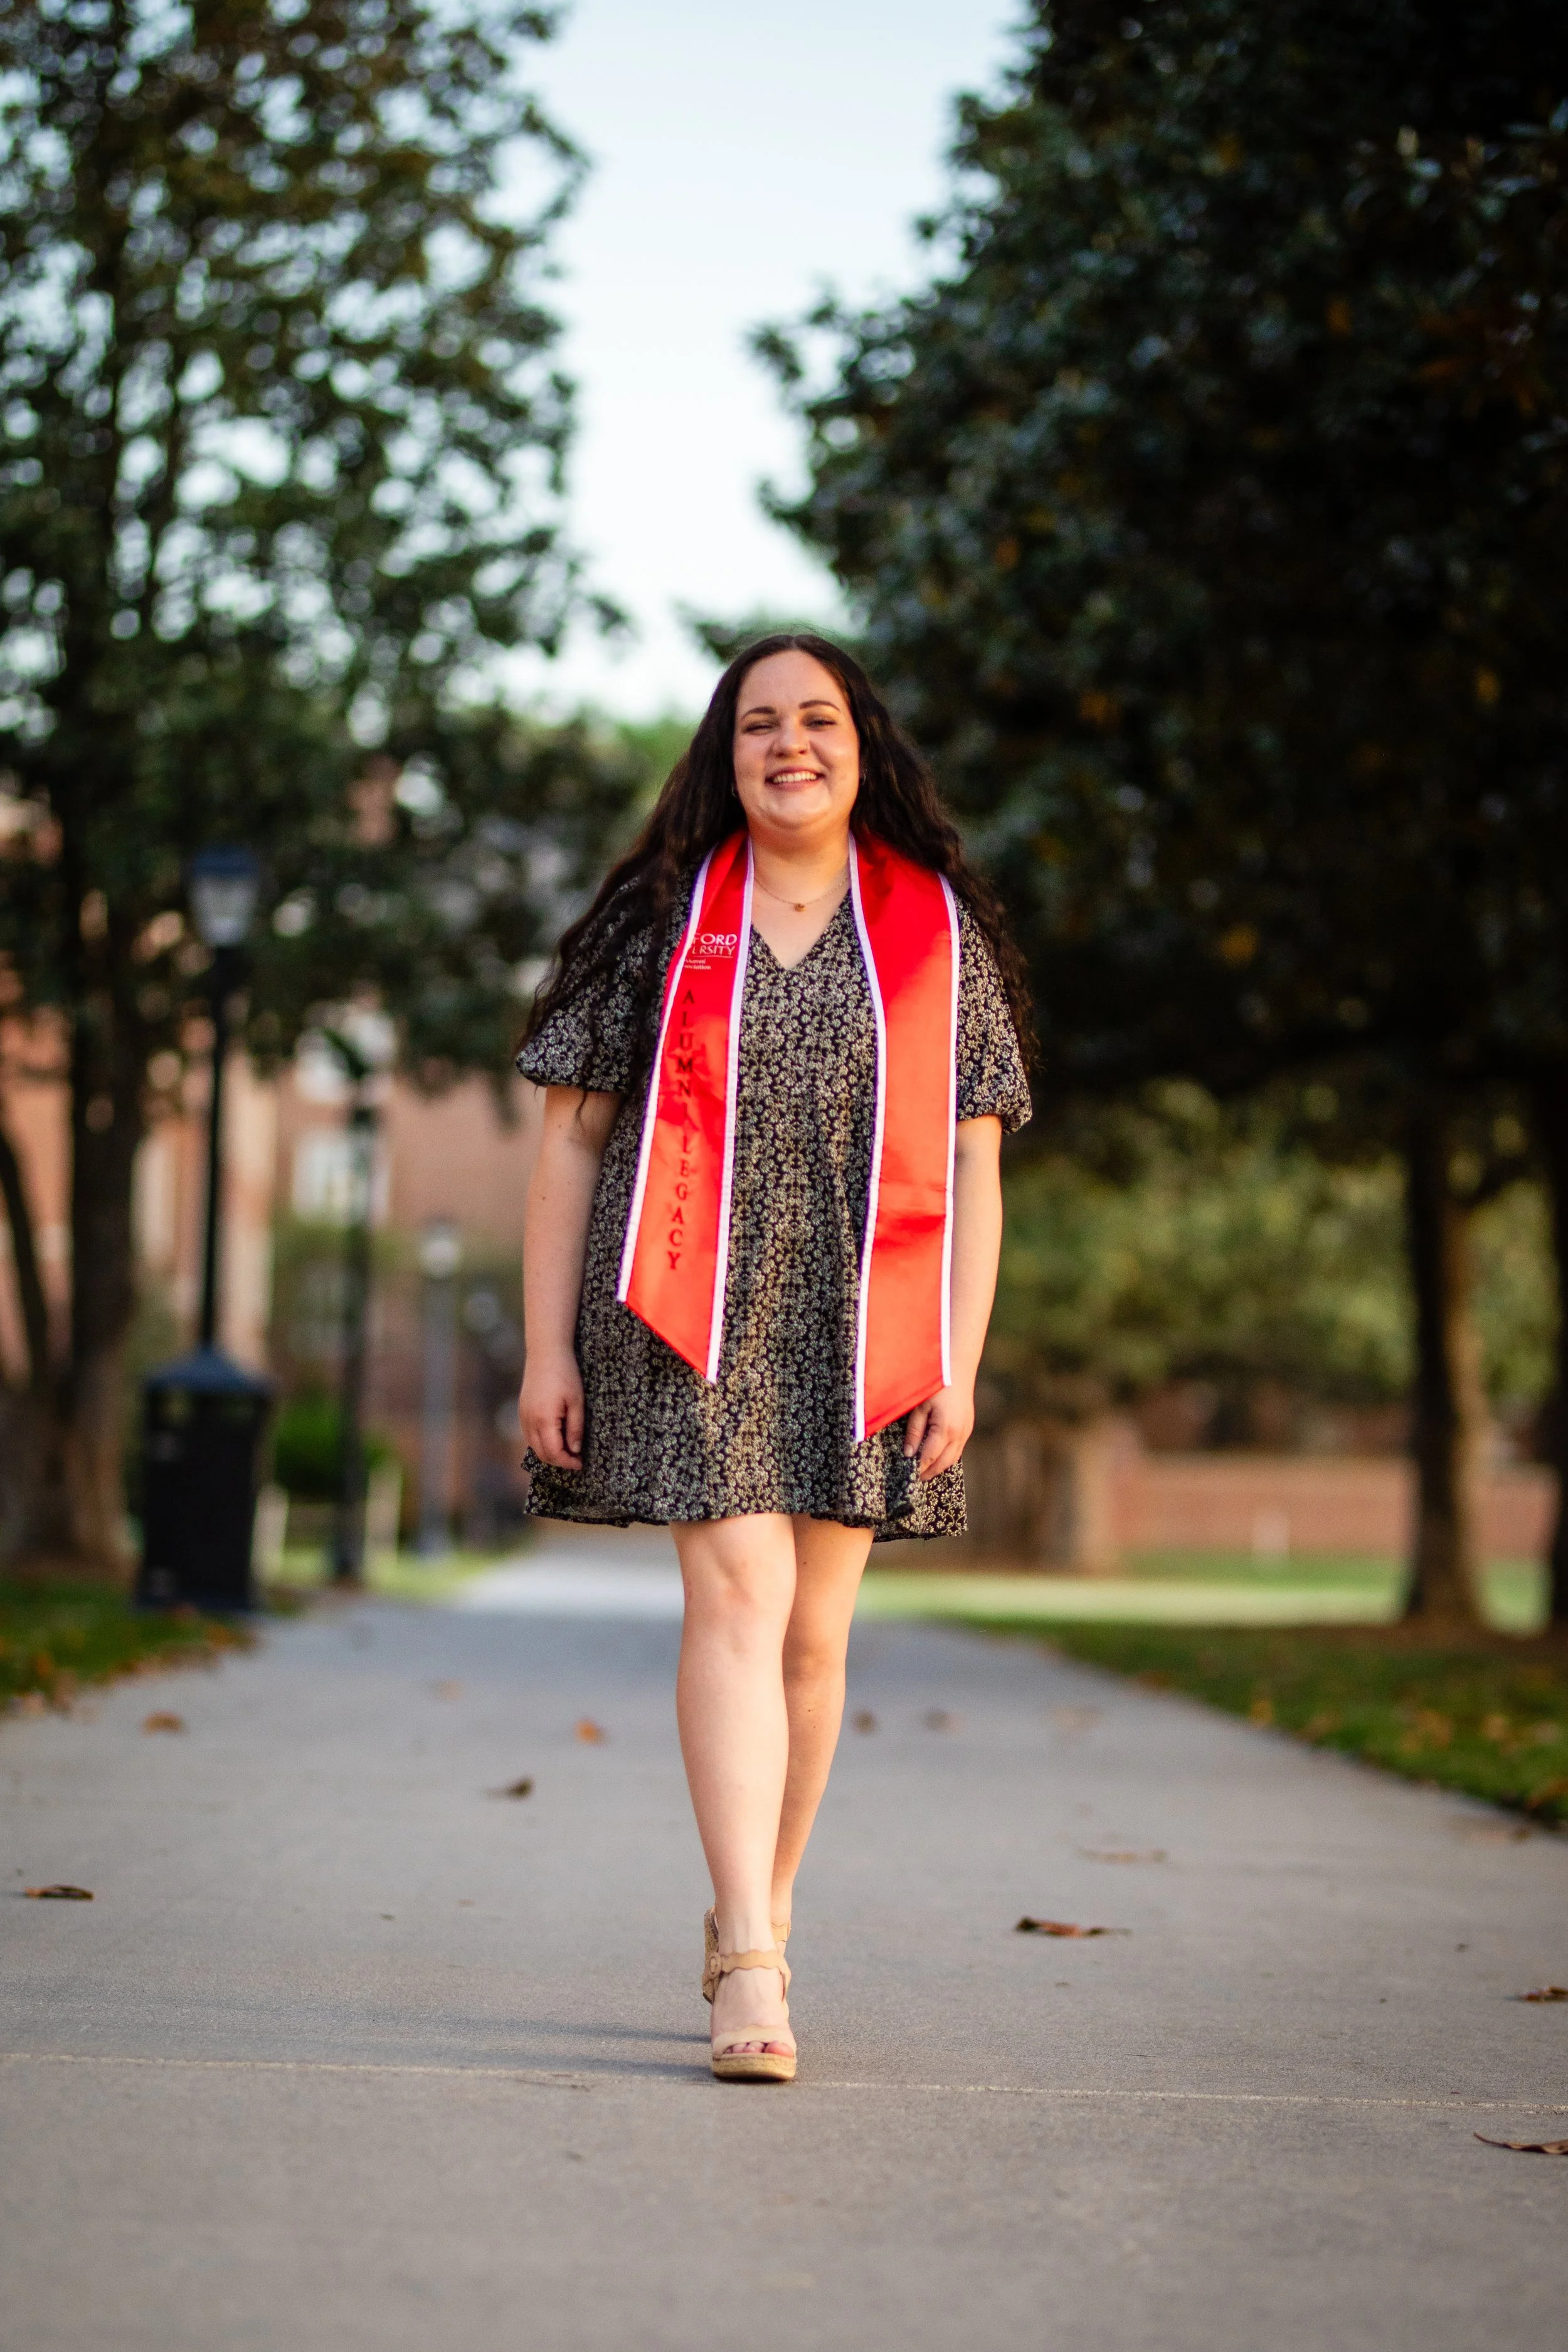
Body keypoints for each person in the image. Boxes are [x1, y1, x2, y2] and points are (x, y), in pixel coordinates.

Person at [517, 634, 1031, 2082]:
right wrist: (544, 1346)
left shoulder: (934, 928)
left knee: (814, 1636)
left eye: (816, 720)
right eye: (758, 725)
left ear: (863, 746)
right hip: (679, 1306)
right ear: (722, 753)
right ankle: (748, 1955)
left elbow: (977, 1169)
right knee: (735, 1599)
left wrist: (960, 1359)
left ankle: (766, 1897)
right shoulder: (662, 920)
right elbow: (568, 1143)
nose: (787, 745)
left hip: (861, 1317)